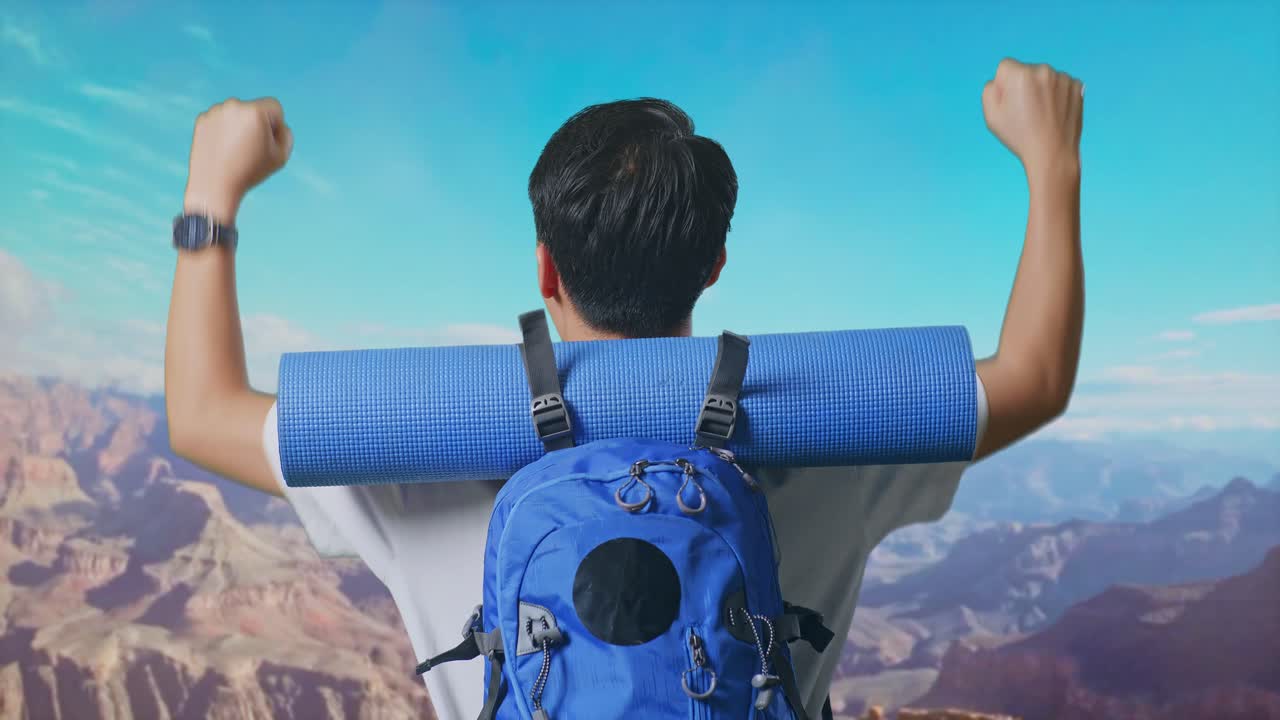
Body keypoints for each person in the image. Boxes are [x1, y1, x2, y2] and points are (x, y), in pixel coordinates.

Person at [165, 57, 1084, 718]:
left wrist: (214, 188)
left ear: (544, 269)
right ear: (714, 264)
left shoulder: (414, 455)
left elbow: (202, 415)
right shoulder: (831, 444)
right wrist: (1051, 164)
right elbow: (1035, 381)